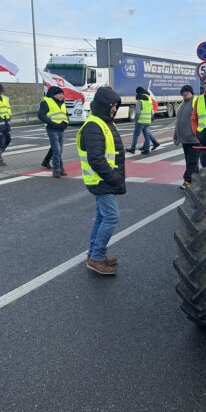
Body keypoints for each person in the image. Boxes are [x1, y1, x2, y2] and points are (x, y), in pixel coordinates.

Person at [76, 86, 125, 275]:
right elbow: (96, 159)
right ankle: (97, 258)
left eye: (116, 105)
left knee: (102, 218)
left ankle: (94, 255)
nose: (115, 109)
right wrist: (114, 179)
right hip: (101, 181)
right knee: (112, 217)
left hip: (103, 180)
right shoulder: (94, 126)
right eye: (113, 105)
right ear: (105, 105)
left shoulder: (103, 122)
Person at [38, 86, 69, 178]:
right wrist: (51, 123)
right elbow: (41, 115)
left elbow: (65, 115)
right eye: (59, 94)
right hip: (52, 129)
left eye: (62, 94)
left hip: (61, 129)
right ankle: (57, 170)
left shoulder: (62, 103)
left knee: (58, 150)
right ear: (54, 95)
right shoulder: (46, 102)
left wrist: (67, 123)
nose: (61, 96)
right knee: (57, 150)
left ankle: (46, 162)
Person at [173, 84, 199, 189]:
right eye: (183, 92)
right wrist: (176, 136)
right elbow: (178, 122)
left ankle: (187, 181)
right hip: (185, 140)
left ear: (191, 92)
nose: (185, 93)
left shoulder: (195, 102)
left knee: (191, 160)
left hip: (194, 139)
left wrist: (197, 132)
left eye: (187, 91)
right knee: (191, 160)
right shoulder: (181, 104)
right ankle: (197, 179)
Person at [126, 86, 160, 155]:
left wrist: (136, 120)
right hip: (148, 120)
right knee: (147, 134)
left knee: (136, 135)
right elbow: (150, 109)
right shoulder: (148, 99)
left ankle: (133, 148)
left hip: (141, 120)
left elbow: (138, 112)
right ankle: (147, 148)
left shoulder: (140, 101)